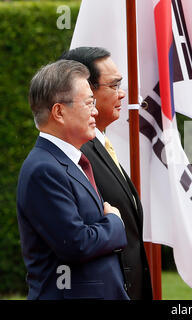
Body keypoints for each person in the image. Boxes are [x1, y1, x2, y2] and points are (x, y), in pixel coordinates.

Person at [16, 60, 129, 300]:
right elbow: (76, 244)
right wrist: (115, 223)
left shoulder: (67, 162)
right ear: (59, 112)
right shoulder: (43, 169)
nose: (95, 112)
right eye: (89, 103)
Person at [60, 47, 153, 300]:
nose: (122, 94)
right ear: (85, 90)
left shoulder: (99, 143)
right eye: (114, 86)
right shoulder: (76, 153)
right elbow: (78, 240)